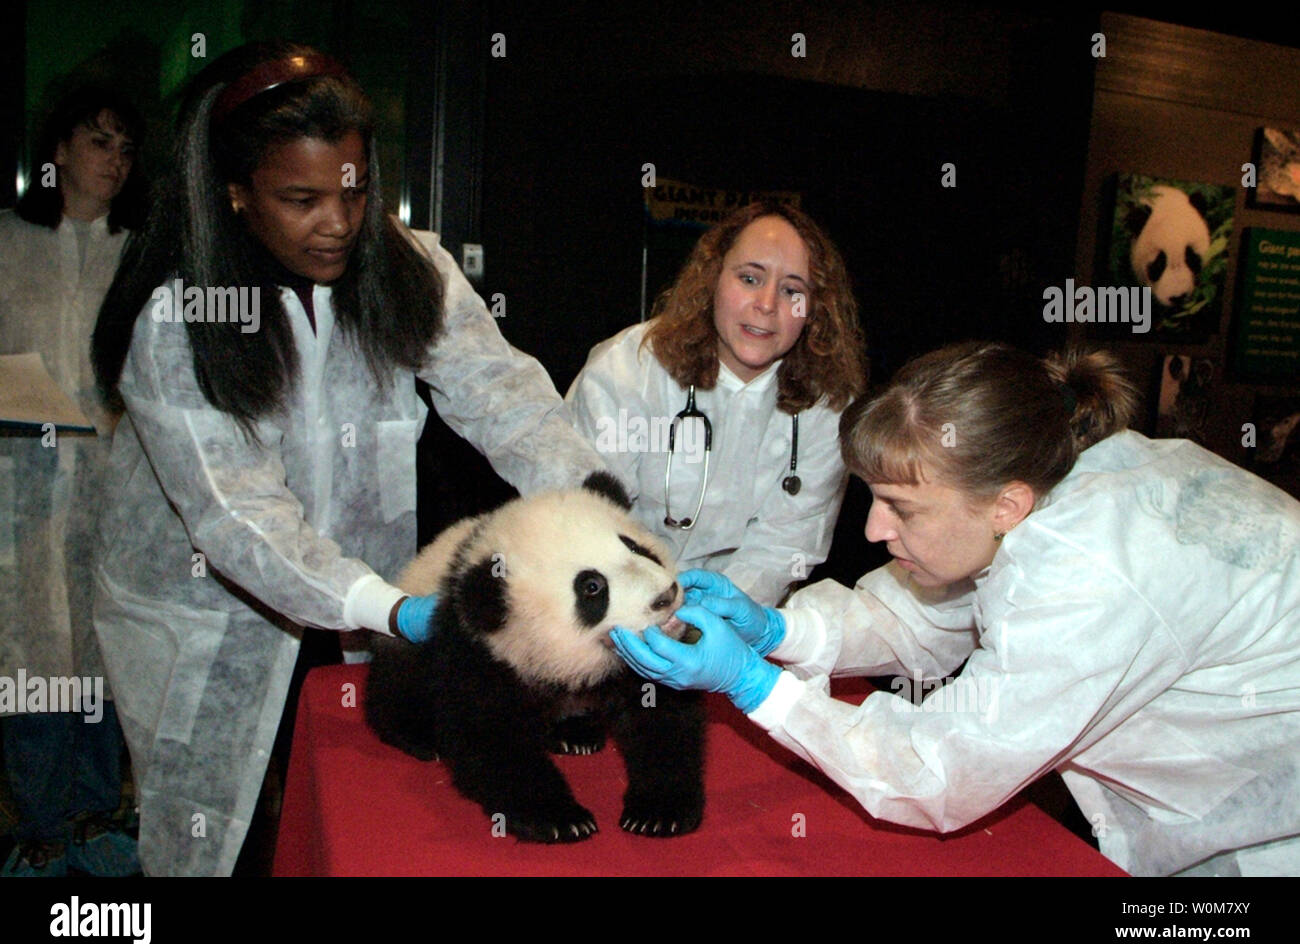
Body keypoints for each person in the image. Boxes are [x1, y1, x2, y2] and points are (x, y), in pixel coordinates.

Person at [90, 42, 605, 876]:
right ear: (236, 194)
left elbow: (505, 398)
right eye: (301, 198)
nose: (338, 221)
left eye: (354, 189)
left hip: (360, 608)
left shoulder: (406, 268)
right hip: (210, 612)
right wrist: (394, 610)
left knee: (353, 822)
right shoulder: (182, 319)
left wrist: (605, 525)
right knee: (216, 837)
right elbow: (237, 514)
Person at [613, 341, 1300, 876]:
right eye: (873, 498)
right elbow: (925, 614)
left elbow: (941, 772)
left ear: (1006, 504)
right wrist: (779, 629)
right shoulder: (1045, 480)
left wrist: (756, 687)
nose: (874, 532)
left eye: (901, 509)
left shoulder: (1091, 572)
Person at [565, 201, 867, 606]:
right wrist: (653, 611)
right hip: (617, 603)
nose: (766, 304)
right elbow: (589, 521)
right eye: (749, 278)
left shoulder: (829, 406)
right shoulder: (626, 370)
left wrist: (717, 621)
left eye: (793, 290)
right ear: (712, 279)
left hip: (740, 618)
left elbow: (784, 547)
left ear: (813, 310)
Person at [0, 85, 146, 876]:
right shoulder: (6, 243)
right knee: (26, 653)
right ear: (57, 151)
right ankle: (39, 821)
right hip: (17, 482)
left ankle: (96, 812)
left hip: (111, 485)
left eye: (125, 149)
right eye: (99, 142)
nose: (114, 162)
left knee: (99, 649)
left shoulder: (138, 258)